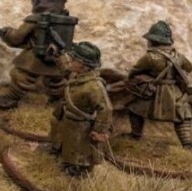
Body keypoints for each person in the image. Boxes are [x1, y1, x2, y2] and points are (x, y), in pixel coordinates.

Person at [0, 0, 77, 109]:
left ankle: (10, 99)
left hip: (36, 59)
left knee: (20, 76)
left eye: (38, 0)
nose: (35, 3)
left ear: (49, 1)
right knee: (56, 81)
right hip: (59, 60)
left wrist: (6, 33)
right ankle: (58, 101)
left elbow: (16, 39)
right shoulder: (68, 20)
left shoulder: (35, 19)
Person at [124, 20, 192, 148]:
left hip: (154, 93)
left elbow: (135, 70)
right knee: (182, 116)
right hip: (175, 93)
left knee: (134, 109)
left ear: (153, 41)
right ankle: (187, 143)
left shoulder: (150, 57)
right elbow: (189, 68)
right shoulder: (179, 56)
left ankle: (136, 134)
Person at [48, 42, 111, 177]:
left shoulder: (94, 86)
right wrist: (58, 54)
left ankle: (79, 170)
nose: (70, 61)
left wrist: (98, 130)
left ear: (83, 65)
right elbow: (66, 67)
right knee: (64, 139)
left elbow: (105, 109)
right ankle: (61, 155)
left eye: (74, 59)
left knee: (79, 148)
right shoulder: (76, 74)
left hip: (81, 125)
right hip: (68, 119)